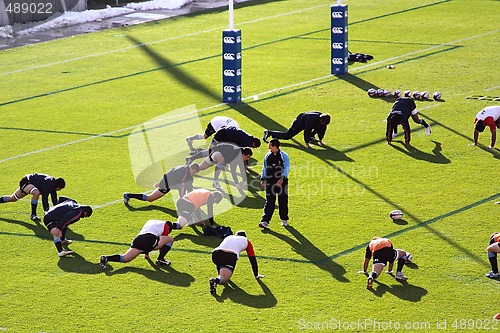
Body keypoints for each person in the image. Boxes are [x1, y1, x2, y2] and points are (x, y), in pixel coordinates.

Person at [100, 219, 177, 269]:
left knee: (125, 258)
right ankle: (160, 259)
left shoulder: (151, 222)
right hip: (149, 239)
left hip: (138, 239)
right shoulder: (166, 226)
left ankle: (106, 258)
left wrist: (146, 254)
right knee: (170, 240)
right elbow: (162, 239)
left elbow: (148, 236)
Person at [209, 230, 264, 295]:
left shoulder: (229, 237)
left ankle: (220, 276)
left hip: (215, 254)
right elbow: (252, 259)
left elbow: (223, 249)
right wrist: (256, 274)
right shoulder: (246, 241)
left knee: (221, 266)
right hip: (229, 256)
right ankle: (215, 280)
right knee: (223, 280)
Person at [0, 173, 66, 221]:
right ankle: (33, 215)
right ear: (57, 186)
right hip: (26, 181)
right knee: (36, 192)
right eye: (60, 188)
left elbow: (54, 200)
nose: (59, 190)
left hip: (31, 184)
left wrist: (57, 213)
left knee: (13, 198)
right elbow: (44, 199)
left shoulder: (52, 186)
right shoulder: (47, 185)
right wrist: (48, 213)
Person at [123, 163, 200, 204]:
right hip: (166, 184)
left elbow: (189, 187)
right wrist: (183, 200)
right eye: (193, 172)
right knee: (150, 199)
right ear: (190, 168)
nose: (194, 174)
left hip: (171, 183)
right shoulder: (184, 173)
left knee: (187, 189)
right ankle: (127, 195)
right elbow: (182, 187)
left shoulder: (188, 173)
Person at [259, 139, 290, 229]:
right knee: (269, 201)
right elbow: (264, 168)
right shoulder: (268, 155)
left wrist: (282, 179)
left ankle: (284, 219)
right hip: (270, 181)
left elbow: (287, 168)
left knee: (283, 200)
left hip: (281, 182)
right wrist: (263, 178)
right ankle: (265, 221)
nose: (268, 147)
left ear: (274, 146)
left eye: (270, 145)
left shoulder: (284, 156)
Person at [263, 111, 331, 148]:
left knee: (319, 128)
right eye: (322, 122)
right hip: (299, 123)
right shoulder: (311, 119)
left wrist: (321, 140)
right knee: (287, 136)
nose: (323, 124)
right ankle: (269, 132)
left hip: (309, 123)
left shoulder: (322, 121)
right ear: (320, 119)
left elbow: (322, 130)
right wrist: (307, 144)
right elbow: (307, 131)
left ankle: (311, 138)